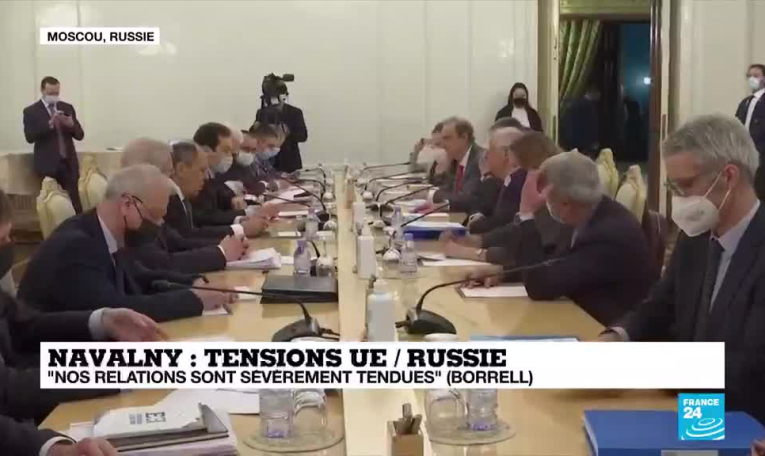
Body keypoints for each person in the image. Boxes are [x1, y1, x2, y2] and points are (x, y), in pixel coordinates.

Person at [600, 114, 765, 425]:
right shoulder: (696, 239)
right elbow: (660, 306)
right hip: (686, 407)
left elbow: (749, 367)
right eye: (672, 186)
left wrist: (641, 368)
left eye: (686, 185)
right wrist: (617, 339)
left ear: (729, 177)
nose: (678, 199)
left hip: (743, 421)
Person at [0, 187, 164, 456]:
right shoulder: (75, 244)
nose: (9, 247)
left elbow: (23, 325)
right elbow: (7, 390)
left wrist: (101, 320)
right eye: (2, 240)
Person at [18, 165, 235, 322]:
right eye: (154, 215)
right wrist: (194, 300)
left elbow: (140, 276)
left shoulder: (106, 231)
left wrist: (194, 283)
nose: (159, 225)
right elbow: (117, 309)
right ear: (127, 204)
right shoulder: (75, 246)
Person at [489, 150, 655, 326]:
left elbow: (539, 286)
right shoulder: (590, 212)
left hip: (601, 329)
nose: (542, 201)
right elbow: (554, 264)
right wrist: (502, 273)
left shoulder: (609, 235)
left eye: (545, 195)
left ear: (566, 202)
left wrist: (526, 214)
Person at [120, 138, 247, 273]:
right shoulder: (130, 211)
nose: (171, 182)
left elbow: (178, 242)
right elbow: (159, 264)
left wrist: (224, 247)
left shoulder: (149, 204)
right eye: (168, 174)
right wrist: (221, 252)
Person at [443, 129, 563, 264]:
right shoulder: (538, 198)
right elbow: (514, 229)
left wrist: (472, 251)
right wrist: (477, 241)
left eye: (516, 167)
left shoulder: (556, 207)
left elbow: (525, 257)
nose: (513, 174)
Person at [165, 141, 269, 239]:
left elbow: (192, 233)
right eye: (201, 170)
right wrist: (240, 229)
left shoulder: (183, 196)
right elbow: (187, 237)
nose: (205, 177)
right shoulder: (167, 202)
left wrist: (240, 222)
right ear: (181, 169)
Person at [23, 76, 84, 213]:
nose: (54, 96)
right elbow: (29, 137)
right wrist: (49, 125)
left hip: (68, 165)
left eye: (56, 93)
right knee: (52, 209)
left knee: (75, 205)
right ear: (42, 90)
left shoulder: (66, 107)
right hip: (47, 167)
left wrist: (71, 125)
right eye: (50, 93)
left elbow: (80, 135)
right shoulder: (31, 111)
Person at [423, 117, 485, 209]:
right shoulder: (456, 159)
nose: (443, 145)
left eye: (447, 138)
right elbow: (449, 189)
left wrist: (429, 195)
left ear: (464, 137)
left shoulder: (480, 159)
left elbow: (468, 198)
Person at [254, 84, 308, 173]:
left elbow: (303, 136)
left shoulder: (295, 112)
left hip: (290, 161)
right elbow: (254, 135)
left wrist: (287, 132)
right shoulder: (262, 113)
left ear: (285, 96)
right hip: (268, 159)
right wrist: (256, 127)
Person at [735, 63, 765, 198]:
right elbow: (737, 124)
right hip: (744, 155)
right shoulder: (745, 102)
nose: (752, 79)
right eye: (749, 76)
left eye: (756, 76)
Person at [560, 85, 600, 156]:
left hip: (571, 141)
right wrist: (594, 141)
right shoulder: (590, 107)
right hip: (584, 143)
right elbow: (592, 125)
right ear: (595, 93)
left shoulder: (574, 104)